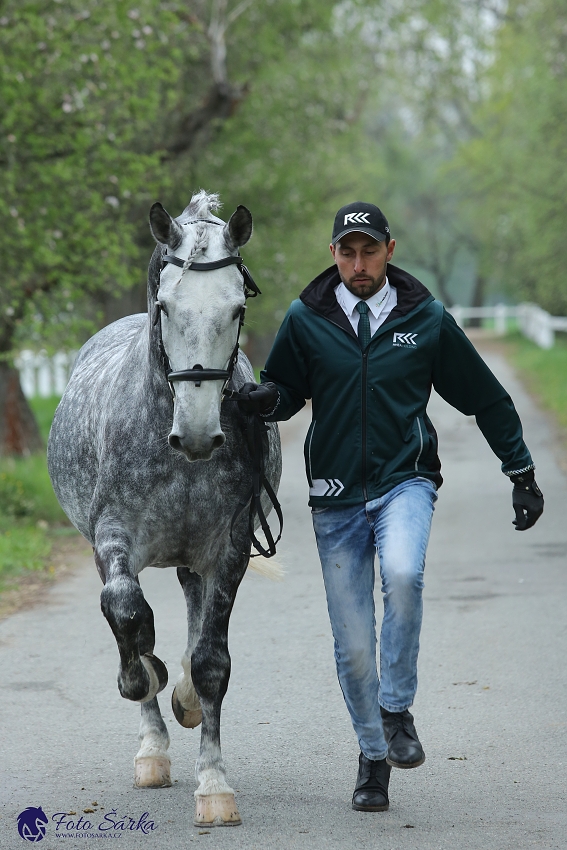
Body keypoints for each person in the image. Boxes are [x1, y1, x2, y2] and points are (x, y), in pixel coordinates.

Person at [237, 201, 544, 812]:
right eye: (347, 252)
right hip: (334, 496)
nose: (358, 264)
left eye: (369, 251)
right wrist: (262, 400)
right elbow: (286, 395)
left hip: (405, 481)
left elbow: (484, 397)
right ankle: (373, 756)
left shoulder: (424, 319)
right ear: (333, 255)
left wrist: (522, 472)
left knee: (404, 575)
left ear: (389, 250)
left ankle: (396, 709)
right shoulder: (305, 318)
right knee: (353, 645)